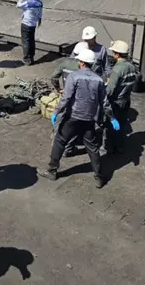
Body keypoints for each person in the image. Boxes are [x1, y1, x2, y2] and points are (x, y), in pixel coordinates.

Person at [38, 48, 112, 189]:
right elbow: (104, 102)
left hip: (73, 117)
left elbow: (66, 98)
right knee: (92, 148)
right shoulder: (98, 80)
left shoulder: (74, 76)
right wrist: (112, 117)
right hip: (89, 119)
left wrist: (56, 112)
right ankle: (98, 177)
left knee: (60, 140)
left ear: (82, 62)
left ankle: (52, 171)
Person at [105, 40, 139, 154]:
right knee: (122, 124)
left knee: (110, 125)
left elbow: (110, 89)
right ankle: (120, 146)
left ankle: (109, 148)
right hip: (126, 100)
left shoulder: (117, 69)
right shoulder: (132, 67)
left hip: (116, 102)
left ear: (117, 54)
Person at [16, 0, 43, 65]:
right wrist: (39, 21)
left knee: (25, 41)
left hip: (25, 24)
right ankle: (31, 57)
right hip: (33, 24)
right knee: (31, 40)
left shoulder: (29, 2)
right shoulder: (39, 3)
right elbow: (40, 14)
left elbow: (18, 5)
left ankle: (27, 59)